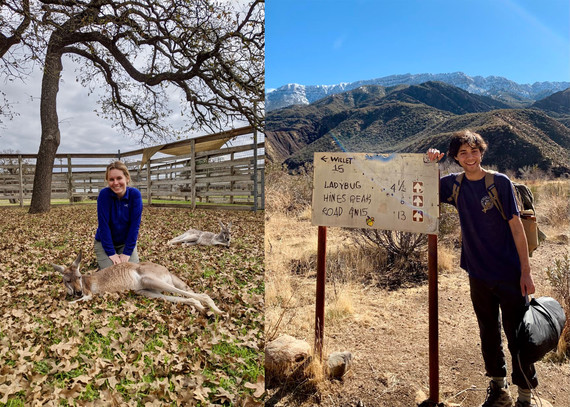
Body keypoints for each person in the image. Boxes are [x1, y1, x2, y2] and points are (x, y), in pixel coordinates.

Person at [427, 130, 537, 407]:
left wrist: (526, 272)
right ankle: (498, 388)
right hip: (477, 273)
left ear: (481, 152)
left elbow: (516, 228)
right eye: (462, 152)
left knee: (518, 335)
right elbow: (423, 190)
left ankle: (525, 395)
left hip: (509, 273)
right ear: (454, 157)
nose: (469, 157)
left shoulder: (499, 182)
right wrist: (430, 164)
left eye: (474, 151)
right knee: (488, 331)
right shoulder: (453, 184)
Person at [94, 161, 143, 270]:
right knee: (113, 273)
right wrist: (111, 253)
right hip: (104, 243)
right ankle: (103, 262)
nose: (115, 183)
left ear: (127, 178)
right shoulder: (104, 195)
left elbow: (134, 226)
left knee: (132, 272)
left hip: (125, 243)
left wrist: (127, 253)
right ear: (108, 181)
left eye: (119, 178)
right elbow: (103, 226)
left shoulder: (135, 195)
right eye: (111, 179)